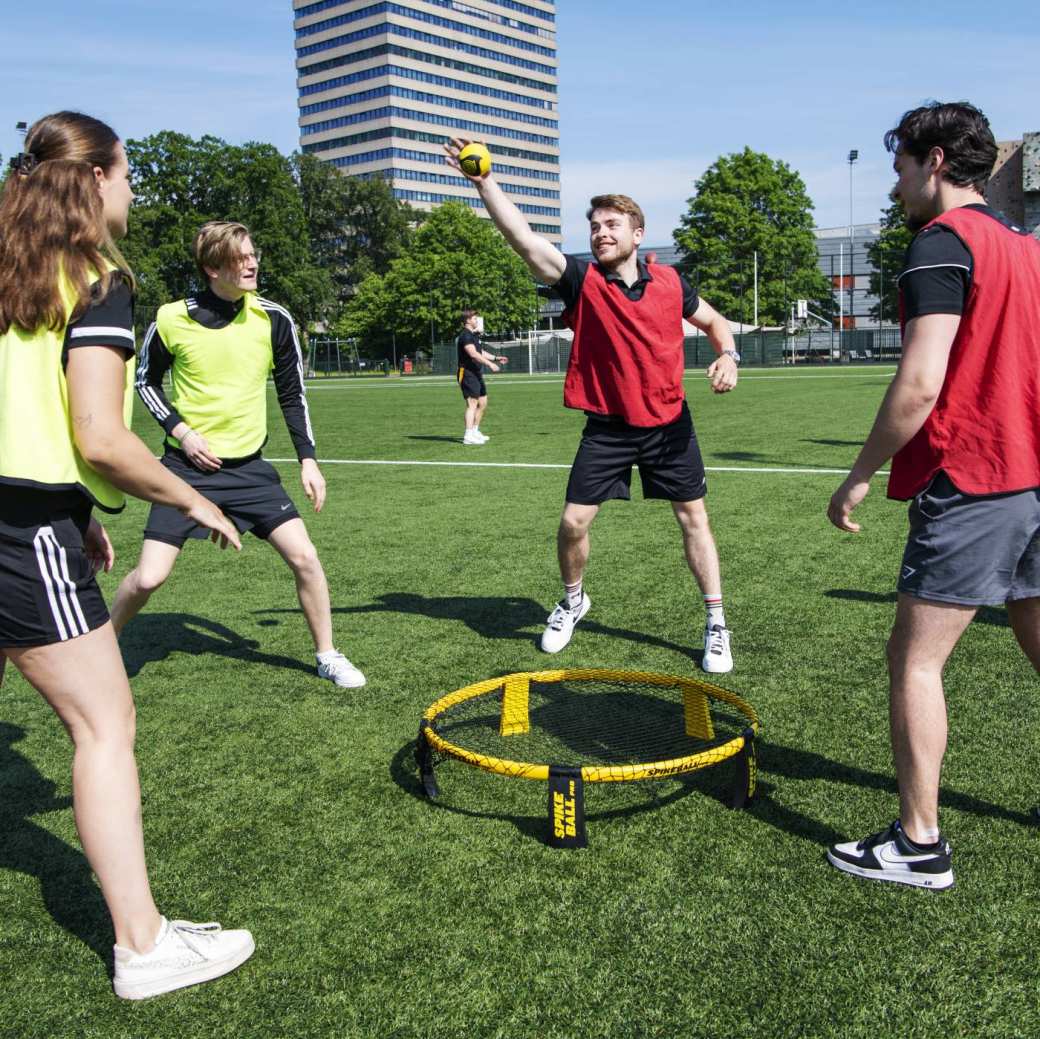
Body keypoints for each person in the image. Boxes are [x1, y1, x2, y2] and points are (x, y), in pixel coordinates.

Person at [0, 111, 254, 998]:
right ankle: (142, 945)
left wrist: (81, 508)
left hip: (32, 513)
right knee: (105, 727)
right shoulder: (96, 277)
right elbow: (103, 435)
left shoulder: (8, 266)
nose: (135, 189)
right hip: (19, 529)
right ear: (97, 178)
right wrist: (190, 496)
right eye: (129, 172)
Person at [826, 101, 1040, 889]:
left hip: (976, 477)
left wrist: (857, 473)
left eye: (902, 168)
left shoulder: (940, 244)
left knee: (914, 663)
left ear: (936, 161)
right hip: (1035, 478)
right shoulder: (1027, 245)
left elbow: (920, 384)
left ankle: (919, 843)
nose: (899, 186)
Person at [445, 139, 740, 672]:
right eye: (596, 226)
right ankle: (573, 599)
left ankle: (716, 623)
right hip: (607, 427)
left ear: (637, 234)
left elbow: (716, 323)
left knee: (694, 519)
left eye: (612, 225)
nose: (601, 233)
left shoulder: (672, 282)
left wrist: (729, 354)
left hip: (670, 423)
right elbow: (525, 241)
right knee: (573, 524)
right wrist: (484, 183)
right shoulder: (583, 282)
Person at [110, 221, 365, 689]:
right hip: (184, 472)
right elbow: (145, 381)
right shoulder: (171, 318)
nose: (252, 263)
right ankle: (103, 646)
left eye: (253, 254)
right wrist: (181, 432)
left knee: (306, 558)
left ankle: (327, 654)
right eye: (241, 257)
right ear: (212, 268)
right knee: (148, 579)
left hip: (250, 470)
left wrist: (308, 458)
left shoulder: (274, 319)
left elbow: (293, 392)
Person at [456, 308, 507, 444]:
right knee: (472, 404)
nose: (476, 320)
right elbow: (473, 354)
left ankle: (474, 430)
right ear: (467, 320)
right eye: (474, 318)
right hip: (467, 373)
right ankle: (468, 435)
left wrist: (496, 358)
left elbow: (480, 352)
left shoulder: (473, 336)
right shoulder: (465, 336)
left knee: (483, 403)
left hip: (476, 373)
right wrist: (490, 364)